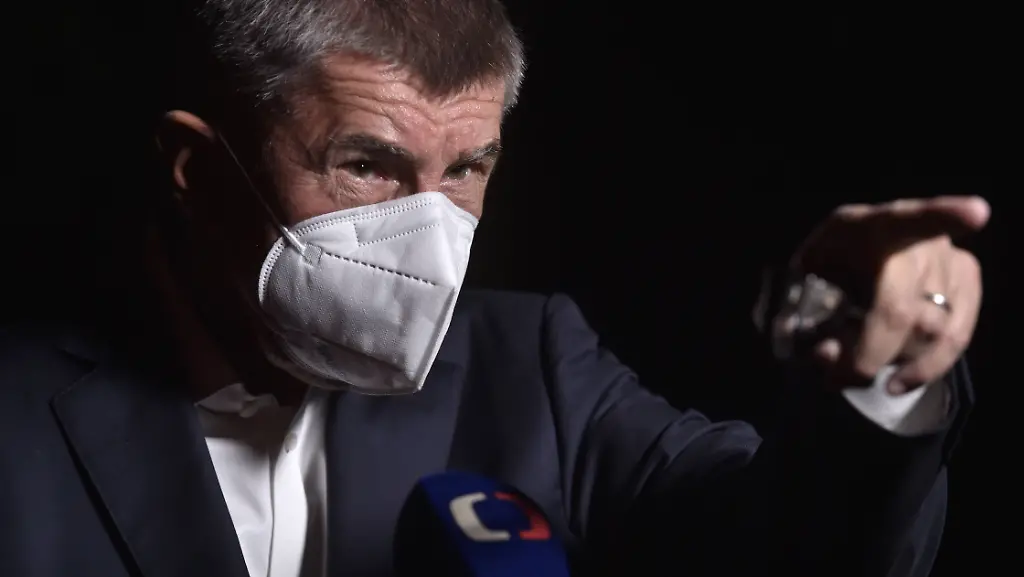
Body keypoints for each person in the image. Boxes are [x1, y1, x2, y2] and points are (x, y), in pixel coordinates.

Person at [0, 1, 989, 576]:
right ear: (198, 170)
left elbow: (793, 549)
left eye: (467, 168)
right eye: (367, 165)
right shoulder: (20, 414)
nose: (425, 229)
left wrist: (884, 381)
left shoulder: (533, 366)